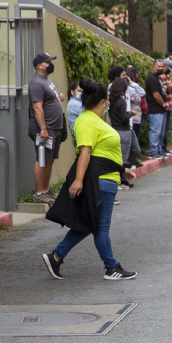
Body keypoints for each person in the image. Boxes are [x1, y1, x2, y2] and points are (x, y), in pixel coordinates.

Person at [42, 79, 137, 281]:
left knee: (89, 224)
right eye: (108, 100)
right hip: (99, 180)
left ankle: (56, 257)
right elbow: (85, 152)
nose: (109, 104)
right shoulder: (86, 121)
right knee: (100, 227)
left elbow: (104, 151)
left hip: (107, 177)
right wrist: (78, 181)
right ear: (103, 102)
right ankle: (111, 268)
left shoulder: (94, 120)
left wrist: (123, 170)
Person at [28, 52, 66, 204]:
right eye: (48, 62)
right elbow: (37, 108)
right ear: (39, 65)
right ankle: (39, 193)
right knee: (42, 159)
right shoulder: (36, 83)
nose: (51, 65)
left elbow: (48, 99)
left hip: (53, 127)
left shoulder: (46, 80)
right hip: (45, 129)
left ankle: (45, 190)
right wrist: (43, 129)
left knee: (49, 160)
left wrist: (59, 97)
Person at [106, 77, 134, 187]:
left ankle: (118, 179)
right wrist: (131, 113)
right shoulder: (121, 102)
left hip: (114, 129)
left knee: (116, 156)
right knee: (124, 158)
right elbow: (124, 117)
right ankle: (122, 180)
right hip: (124, 131)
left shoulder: (111, 101)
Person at [145, 59, 168, 158]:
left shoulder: (157, 78)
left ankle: (158, 150)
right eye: (158, 67)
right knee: (155, 131)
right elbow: (156, 95)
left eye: (162, 67)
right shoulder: (152, 78)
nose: (161, 68)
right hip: (155, 109)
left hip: (160, 110)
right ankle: (153, 152)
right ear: (153, 67)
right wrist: (163, 104)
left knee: (160, 131)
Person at [125, 66, 145, 165]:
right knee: (130, 145)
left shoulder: (131, 87)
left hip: (136, 117)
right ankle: (128, 163)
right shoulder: (121, 89)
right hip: (127, 119)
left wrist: (131, 83)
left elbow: (142, 92)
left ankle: (132, 162)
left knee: (135, 141)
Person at [159, 58, 172, 156]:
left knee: (167, 128)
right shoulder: (160, 76)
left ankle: (165, 147)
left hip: (170, 104)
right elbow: (161, 89)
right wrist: (170, 86)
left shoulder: (168, 76)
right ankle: (161, 147)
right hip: (164, 105)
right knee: (162, 128)